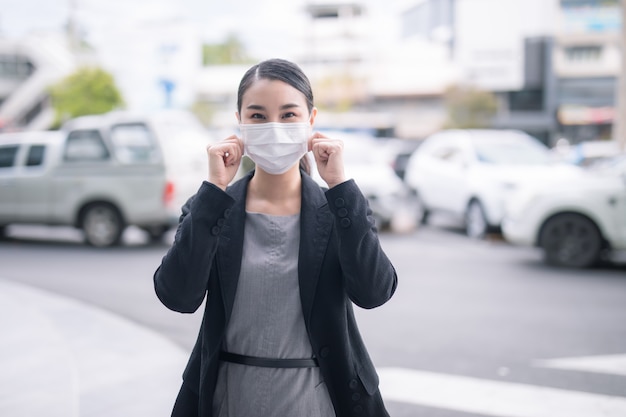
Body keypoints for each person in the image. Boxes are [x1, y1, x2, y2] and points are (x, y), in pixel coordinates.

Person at [153, 58, 398, 417]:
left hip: (316, 400)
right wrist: (214, 188)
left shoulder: (338, 209)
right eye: (257, 116)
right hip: (229, 399)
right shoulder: (212, 207)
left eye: (288, 115)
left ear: (311, 121)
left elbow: (374, 292)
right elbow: (178, 295)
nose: (274, 127)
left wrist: (341, 185)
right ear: (238, 122)